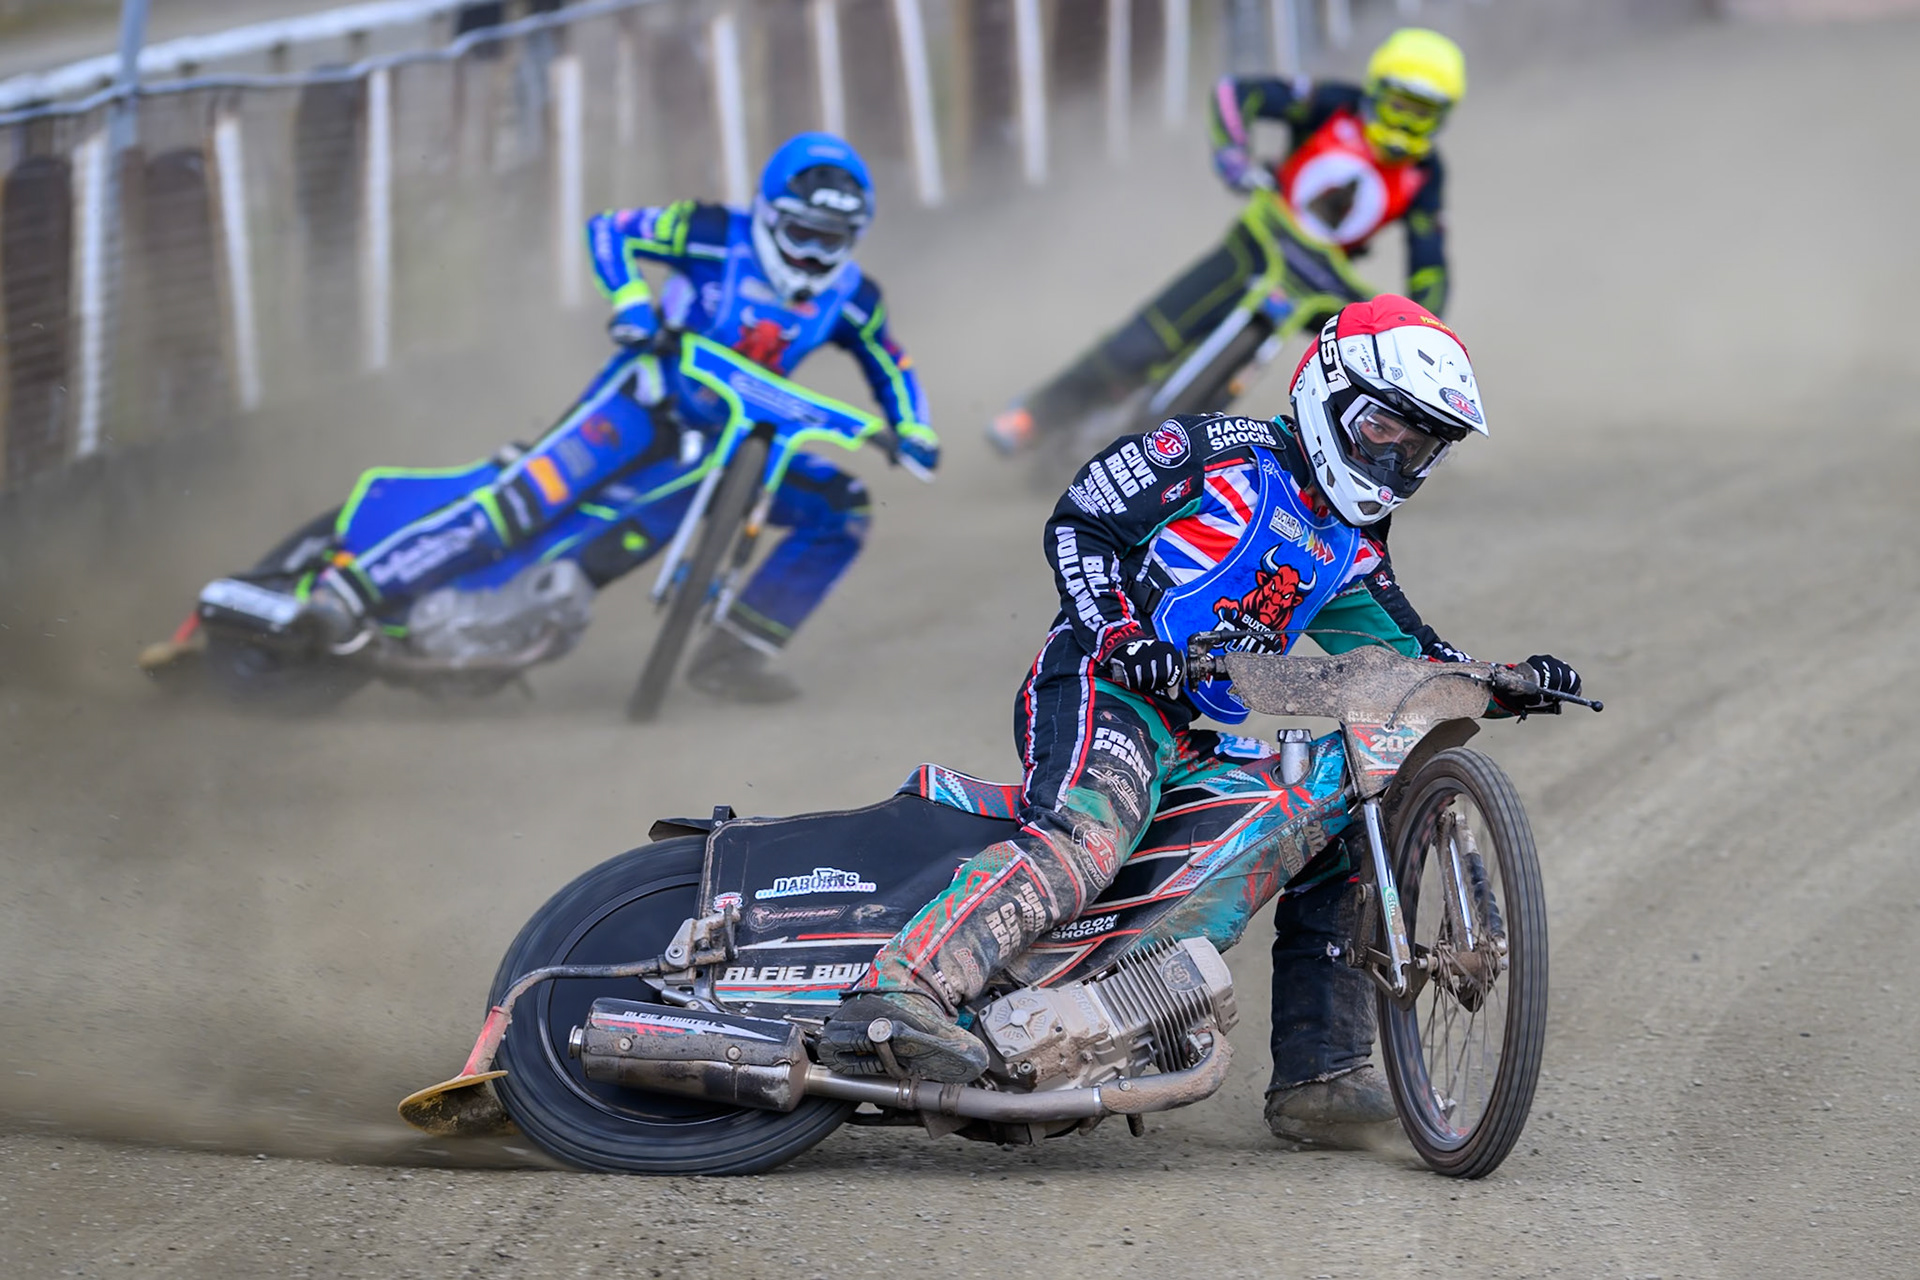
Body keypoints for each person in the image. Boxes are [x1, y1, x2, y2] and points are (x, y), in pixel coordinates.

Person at [822, 295, 1582, 1148]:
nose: (1396, 457)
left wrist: (1496, 680)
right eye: (1381, 430)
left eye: (1420, 446)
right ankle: (897, 996)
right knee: (1091, 834)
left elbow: (1403, 660)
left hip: (1192, 733)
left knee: (1338, 813)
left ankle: (1321, 1074)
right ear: (1325, 394)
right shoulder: (1217, 452)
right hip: (1100, 687)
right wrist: (1122, 634)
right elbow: (1081, 519)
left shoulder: (1354, 545)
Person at [301, 132, 937, 702]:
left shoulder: (854, 296)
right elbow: (611, 229)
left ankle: (735, 655)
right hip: (641, 402)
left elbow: (892, 363)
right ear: (769, 213)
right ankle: (351, 592)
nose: (813, 255)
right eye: (802, 233)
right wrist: (632, 302)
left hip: (740, 440)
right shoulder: (711, 230)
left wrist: (914, 427)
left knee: (844, 508)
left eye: (832, 241)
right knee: (524, 501)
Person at [987, 27, 1465, 456]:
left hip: (1324, 280)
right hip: (1260, 239)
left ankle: (1363, 460)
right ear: (1378, 90)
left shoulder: (1427, 173)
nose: (1407, 121)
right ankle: (1035, 415)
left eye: (1424, 112)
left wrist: (1412, 332)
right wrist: (1234, 156)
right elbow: (1238, 94)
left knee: (1352, 372)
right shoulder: (1333, 103)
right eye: (1401, 103)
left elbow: (1430, 267)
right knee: (1144, 342)